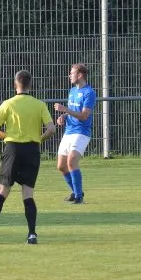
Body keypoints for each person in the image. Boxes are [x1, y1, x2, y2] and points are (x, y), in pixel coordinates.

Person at [0, 70, 56, 244]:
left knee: (2, 191)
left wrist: (6, 137)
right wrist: (39, 138)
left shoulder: (8, 104)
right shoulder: (39, 105)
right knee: (28, 194)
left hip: (12, 150)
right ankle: (32, 234)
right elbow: (51, 129)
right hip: (32, 150)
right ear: (30, 85)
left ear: (15, 85)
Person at [54, 63, 96, 204]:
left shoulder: (89, 93)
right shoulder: (72, 91)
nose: (69, 76)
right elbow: (72, 112)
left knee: (71, 161)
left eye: (72, 73)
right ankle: (77, 192)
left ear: (80, 75)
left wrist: (65, 109)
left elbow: (84, 116)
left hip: (81, 132)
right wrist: (64, 117)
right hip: (69, 131)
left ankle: (79, 197)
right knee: (61, 166)